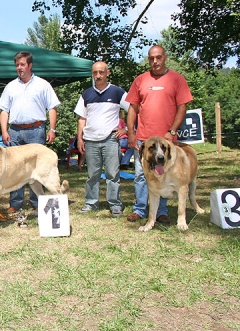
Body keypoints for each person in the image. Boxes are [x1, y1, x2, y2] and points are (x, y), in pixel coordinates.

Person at [126, 45, 195, 223]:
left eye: (158, 57)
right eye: (151, 58)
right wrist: (131, 132)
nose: (154, 61)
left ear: (165, 57)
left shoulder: (177, 79)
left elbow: (182, 107)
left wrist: (172, 131)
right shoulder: (140, 80)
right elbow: (132, 107)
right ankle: (140, 209)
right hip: (143, 138)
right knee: (142, 175)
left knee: (165, 173)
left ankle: (162, 211)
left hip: (167, 140)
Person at [0, 51, 60, 214]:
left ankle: (38, 203)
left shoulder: (43, 84)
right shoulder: (10, 86)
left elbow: (52, 107)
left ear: (30, 65)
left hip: (36, 131)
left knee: (38, 168)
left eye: (22, 64)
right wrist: (4, 131)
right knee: (14, 168)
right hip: (15, 132)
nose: (19, 68)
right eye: (17, 65)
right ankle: (15, 204)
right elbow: (4, 111)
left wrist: (52, 129)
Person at [74, 61, 129, 217]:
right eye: (95, 73)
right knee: (92, 175)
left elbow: (134, 109)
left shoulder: (118, 92)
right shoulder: (86, 94)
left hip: (110, 139)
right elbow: (81, 119)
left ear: (108, 73)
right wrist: (80, 138)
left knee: (112, 174)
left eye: (101, 72)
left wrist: (126, 129)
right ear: (92, 74)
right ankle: (91, 203)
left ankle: (115, 204)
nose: (98, 76)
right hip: (90, 140)